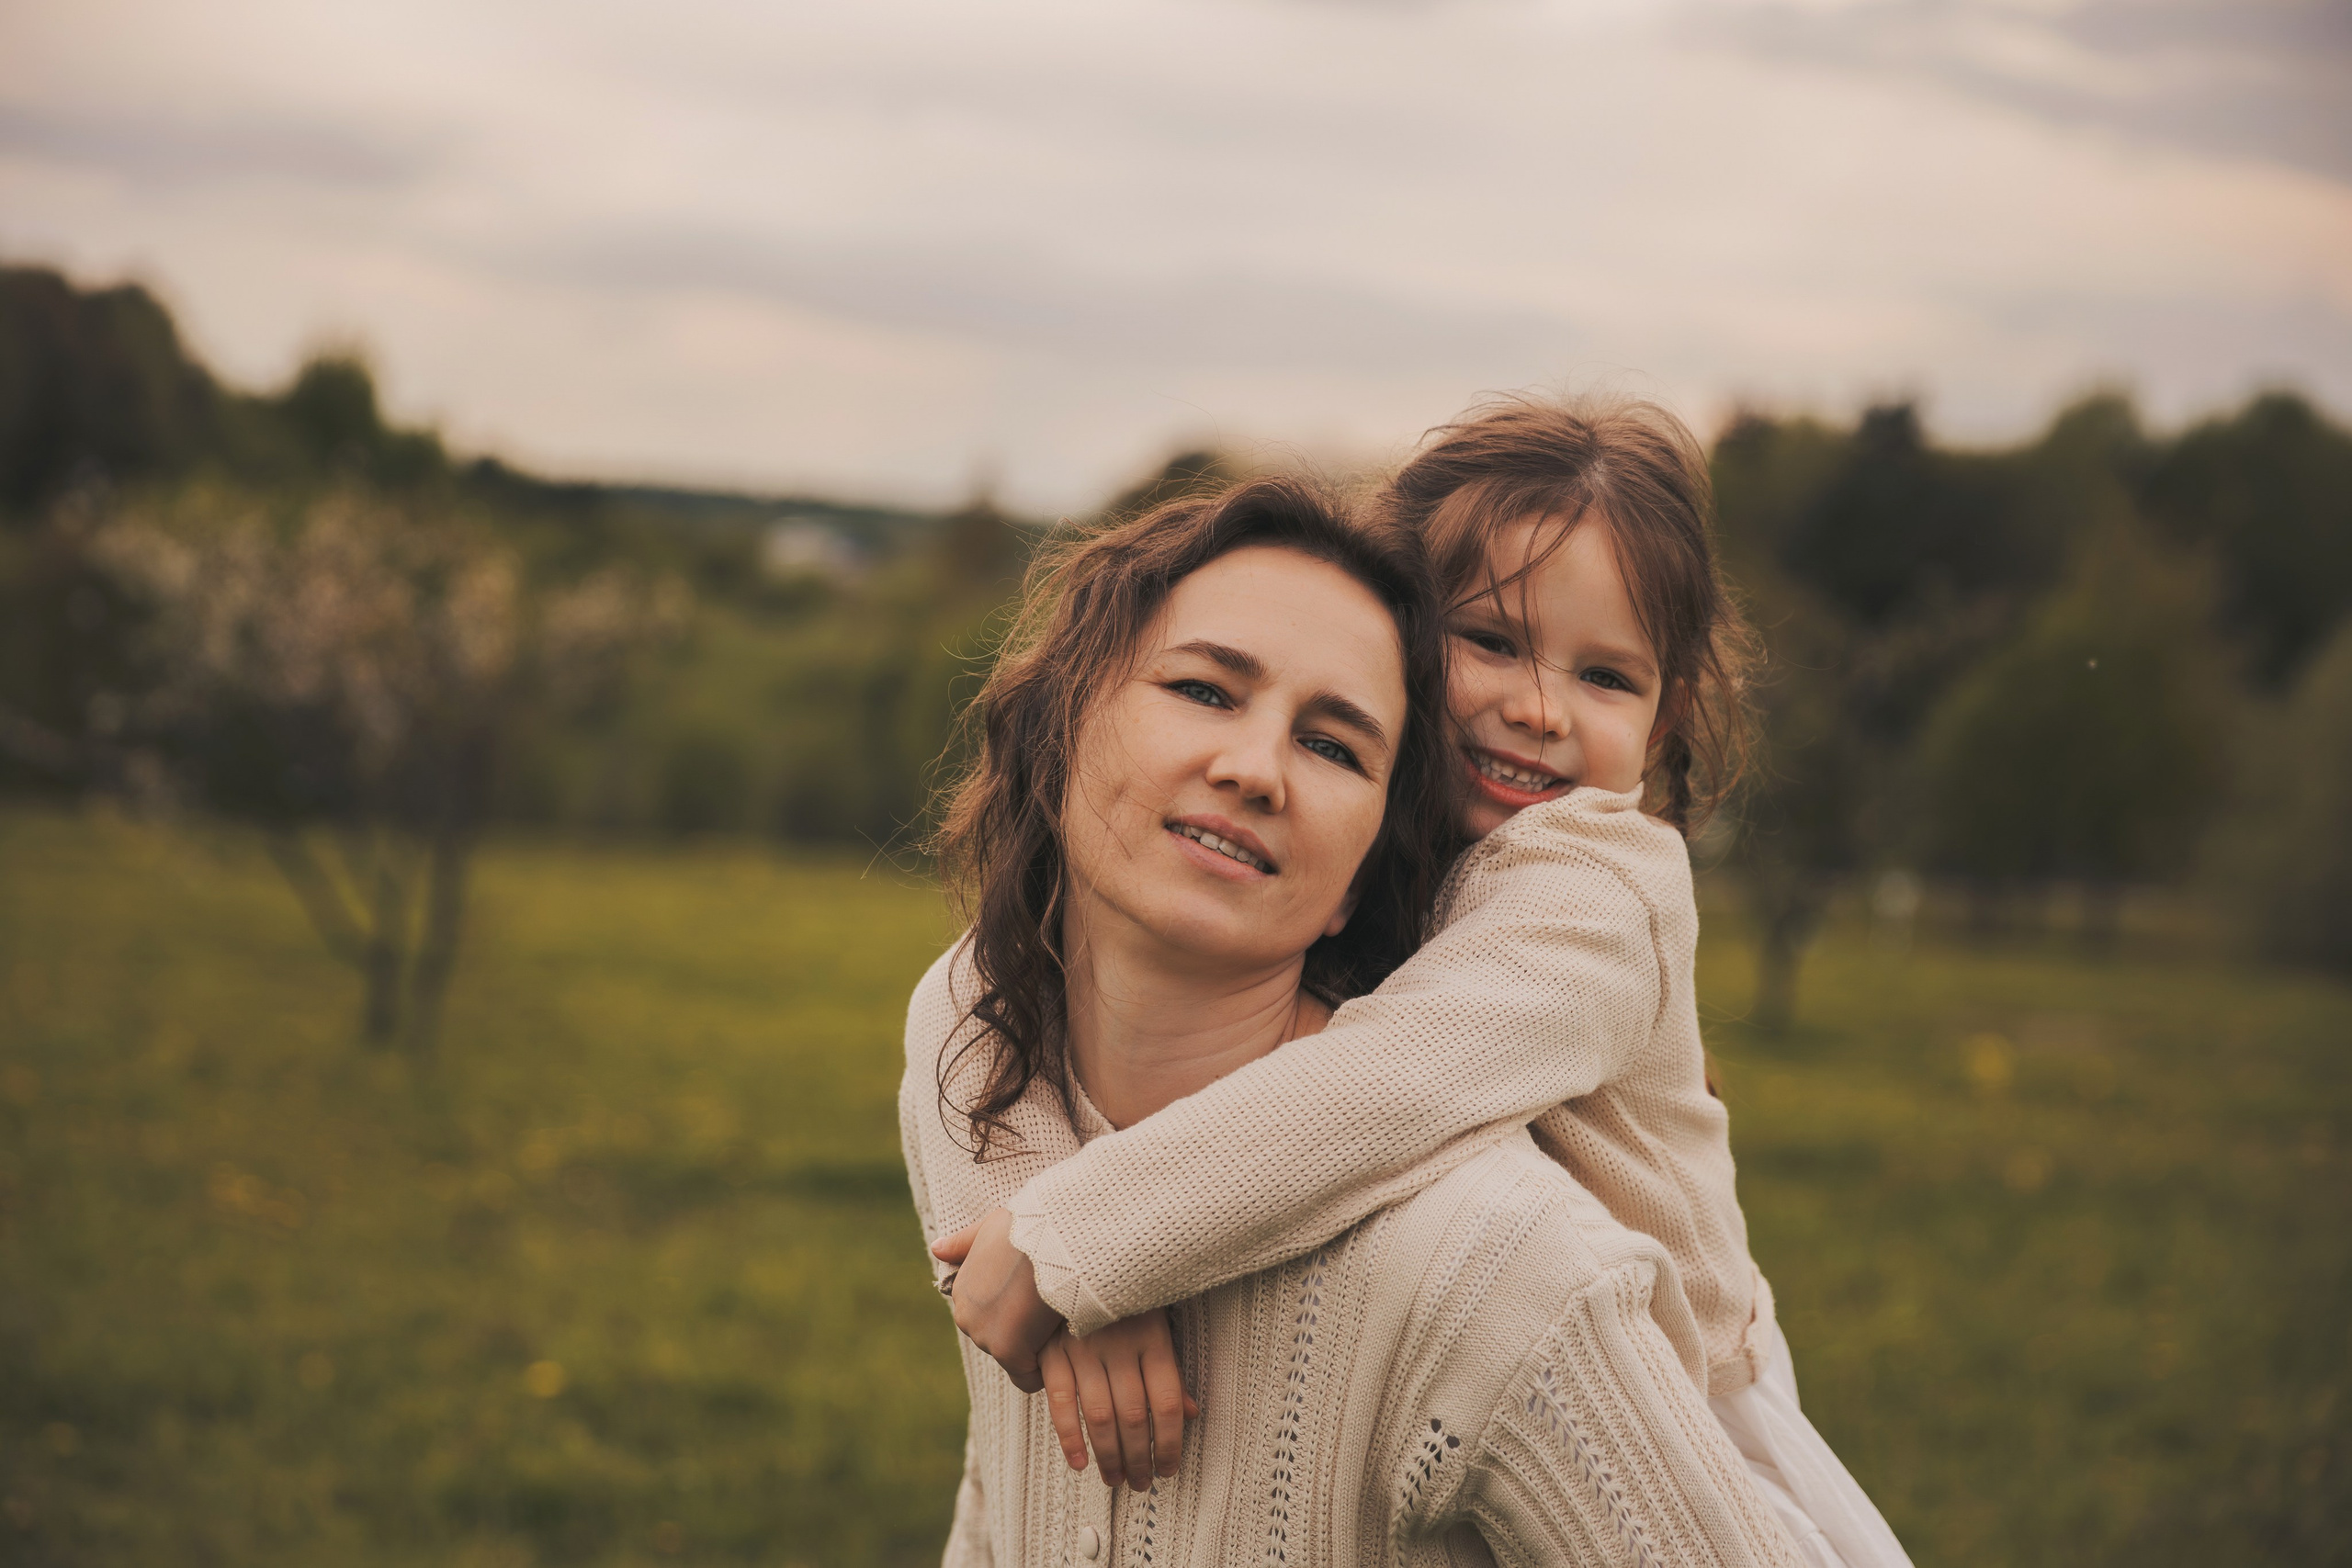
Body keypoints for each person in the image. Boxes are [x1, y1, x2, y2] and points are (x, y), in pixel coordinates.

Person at [934, 400, 1910, 1568]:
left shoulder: (1601, 887)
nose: (1538, 709)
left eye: (1606, 677)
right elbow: (967, 990)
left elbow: (1389, 1082)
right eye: (1490, 642)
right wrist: (1042, 1236)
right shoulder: (1387, 839)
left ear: (1664, 727)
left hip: (1678, 1414)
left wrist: (1084, 1238)